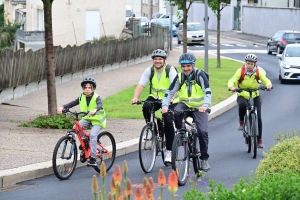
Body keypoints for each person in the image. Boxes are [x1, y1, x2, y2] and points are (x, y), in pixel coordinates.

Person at [161, 52, 212, 171]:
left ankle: (204, 159)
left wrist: (205, 105)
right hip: (184, 104)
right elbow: (169, 92)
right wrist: (165, 106)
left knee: (203, 132)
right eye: (183, 66)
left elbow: (207, 91)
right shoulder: (180, 77)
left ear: (193, 65)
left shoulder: (200, 75)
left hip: (199, 106)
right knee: (176, 112)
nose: (186, 69)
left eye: (188, 66)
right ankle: (182, 135)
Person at [131, 49, 177, 164]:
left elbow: (176, 86)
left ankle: (169, 151)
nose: (157, 61)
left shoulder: (170, 70)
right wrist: (135, 97)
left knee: (167, 120)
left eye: (160, 59)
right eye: (155, 59)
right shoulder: (149, 70)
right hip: (155, 97)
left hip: (168, 98)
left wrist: (171, 99)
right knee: (146, 106)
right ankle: (150, 127)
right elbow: (141, 85)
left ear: (164, 60)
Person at [57, 77, 106, 166]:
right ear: (83, 88)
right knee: (76, 127)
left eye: (89, 88)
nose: (87, 89)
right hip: (87, 118)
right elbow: (72, 103)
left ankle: (93, 158)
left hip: (97, 120)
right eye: (85, 88)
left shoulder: (96, 97)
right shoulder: (81, 97)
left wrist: (95, 109)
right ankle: (85, 143)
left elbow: (100, 104)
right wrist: (63, 107)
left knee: (93, 135)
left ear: (93, 89)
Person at [228, 54, 272, 149]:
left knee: (258, 117)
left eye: (251, 64)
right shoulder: (241, 71)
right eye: (248, 63)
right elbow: (233, 79)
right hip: (243, 94)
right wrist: (231, 86)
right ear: (245, 63)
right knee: (242, 105)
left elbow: (265, 80)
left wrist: (268, 85)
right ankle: (241, 122)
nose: (249, 65)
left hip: (254, 94)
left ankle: (259, 139)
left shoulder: (258, 72)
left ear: (254, 64)